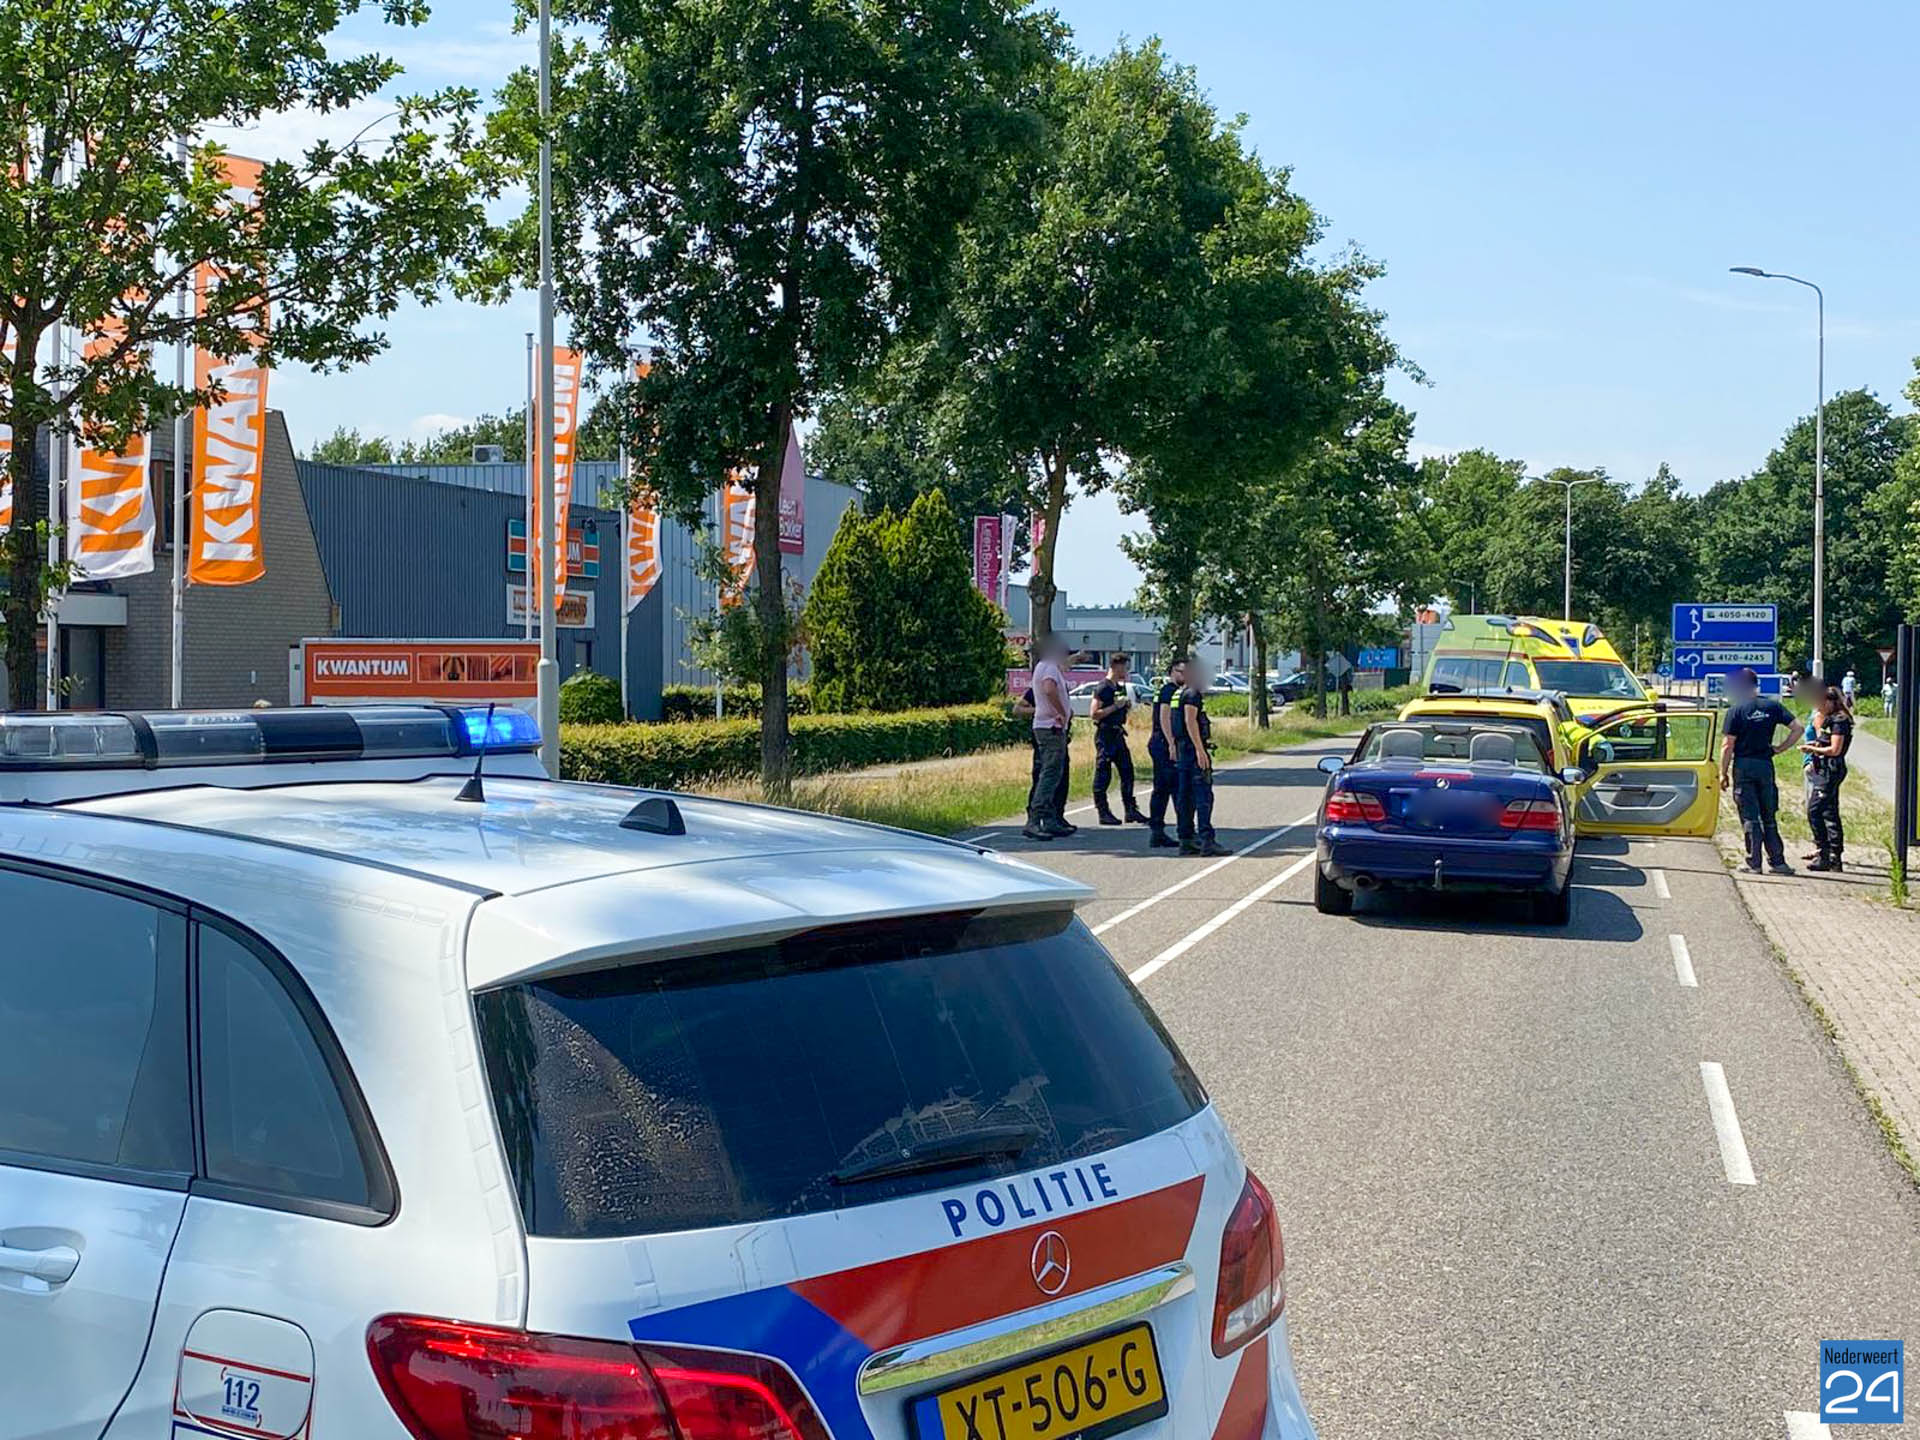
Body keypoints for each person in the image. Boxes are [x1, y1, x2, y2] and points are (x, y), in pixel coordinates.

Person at [1719, 666, 1799, 875]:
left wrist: (1723, 773)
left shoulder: (1736, 711)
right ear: (1756, 684)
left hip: (1744, 765)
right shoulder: (1772, 706)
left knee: (1750, 816)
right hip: (1765, 764)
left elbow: (1727, 745)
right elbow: (1797, 728)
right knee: (1768, 814)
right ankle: (1778, 862)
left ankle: (1753, 863)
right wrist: (1780, 748)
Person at [1174, 659, 1229, 857]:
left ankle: (1186, 840)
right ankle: (1207, 840)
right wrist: (1200, 750)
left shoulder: (1180, 693)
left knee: (1186, 797)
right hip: (1192, 751)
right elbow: (1190, 721)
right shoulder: (1192, 694)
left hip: (1183, 751)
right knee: (1203, 797)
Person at [1023, 635, 1074, 842]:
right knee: (1050, 774)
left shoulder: (1042, 666)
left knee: (1053, 773)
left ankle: (1050, 819)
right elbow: (1049, 688)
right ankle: (1035, 819)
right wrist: (1061, 711)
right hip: (1051, 727)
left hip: (1046, 726)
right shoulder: (1050, 668)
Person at [1801, 684, 1853, 872]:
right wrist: (1816, 744)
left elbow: (1835, 749)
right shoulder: (1828, 720)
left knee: (1814, 810)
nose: (1818, 708)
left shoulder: (1839, 721)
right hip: (1823, 769)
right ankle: (1833, 856)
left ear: (1830, 702)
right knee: (1829, 811)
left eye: (1821, 704)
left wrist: (1811, 749)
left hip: (1831, 771)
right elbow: (1825, 741)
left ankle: (1824, 852)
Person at [1090, 653, 1146, 826]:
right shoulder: (1103, 687)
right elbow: (1094, 714)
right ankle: (1103, 811)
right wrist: (1116, 706)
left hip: (1118, 734)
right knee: (1103, 774)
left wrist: (1125, 707)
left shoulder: (1118, 687)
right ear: (1116, 666)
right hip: (1105, 735)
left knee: (1127, 771)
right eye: (1125, 667)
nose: (1127, 671)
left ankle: (1130, 809)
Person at [1146, 657, 1187, 849]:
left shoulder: (1175, 691)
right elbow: (1164, 717)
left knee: (1164, 789)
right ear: (1171, 672)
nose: (1184, 675)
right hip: (1163, 744)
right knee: (1173, 788)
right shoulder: (1168, 691)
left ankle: (1160, 832)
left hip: (1163, 743)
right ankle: (1181, 832)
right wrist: (1171, 744)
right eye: (1181, 672)